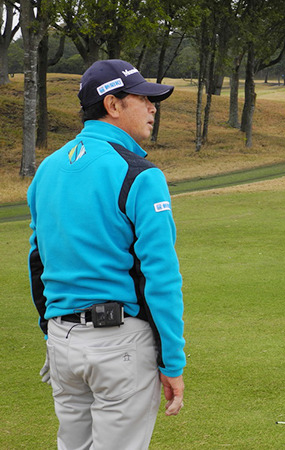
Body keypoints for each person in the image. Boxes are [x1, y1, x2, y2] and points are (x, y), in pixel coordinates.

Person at [27, 59, 186, 449]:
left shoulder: (46, 169)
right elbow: (159, 277)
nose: (153, 107)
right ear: (112, 105)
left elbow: (38, 260)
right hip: (119, 347)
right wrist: (172, 363)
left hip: (62, 343)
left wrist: (52, 329)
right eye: (142, 99)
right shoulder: (141, 174)